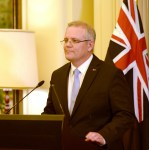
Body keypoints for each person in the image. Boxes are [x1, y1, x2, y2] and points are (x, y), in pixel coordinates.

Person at [42, 21, 135, 150]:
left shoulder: (110, 74)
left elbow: (125, 115)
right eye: (65, 40)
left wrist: (103, 136)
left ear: (90, 45)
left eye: (74, 40)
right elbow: (50, 112)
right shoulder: (57, 75)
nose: (67, 44)